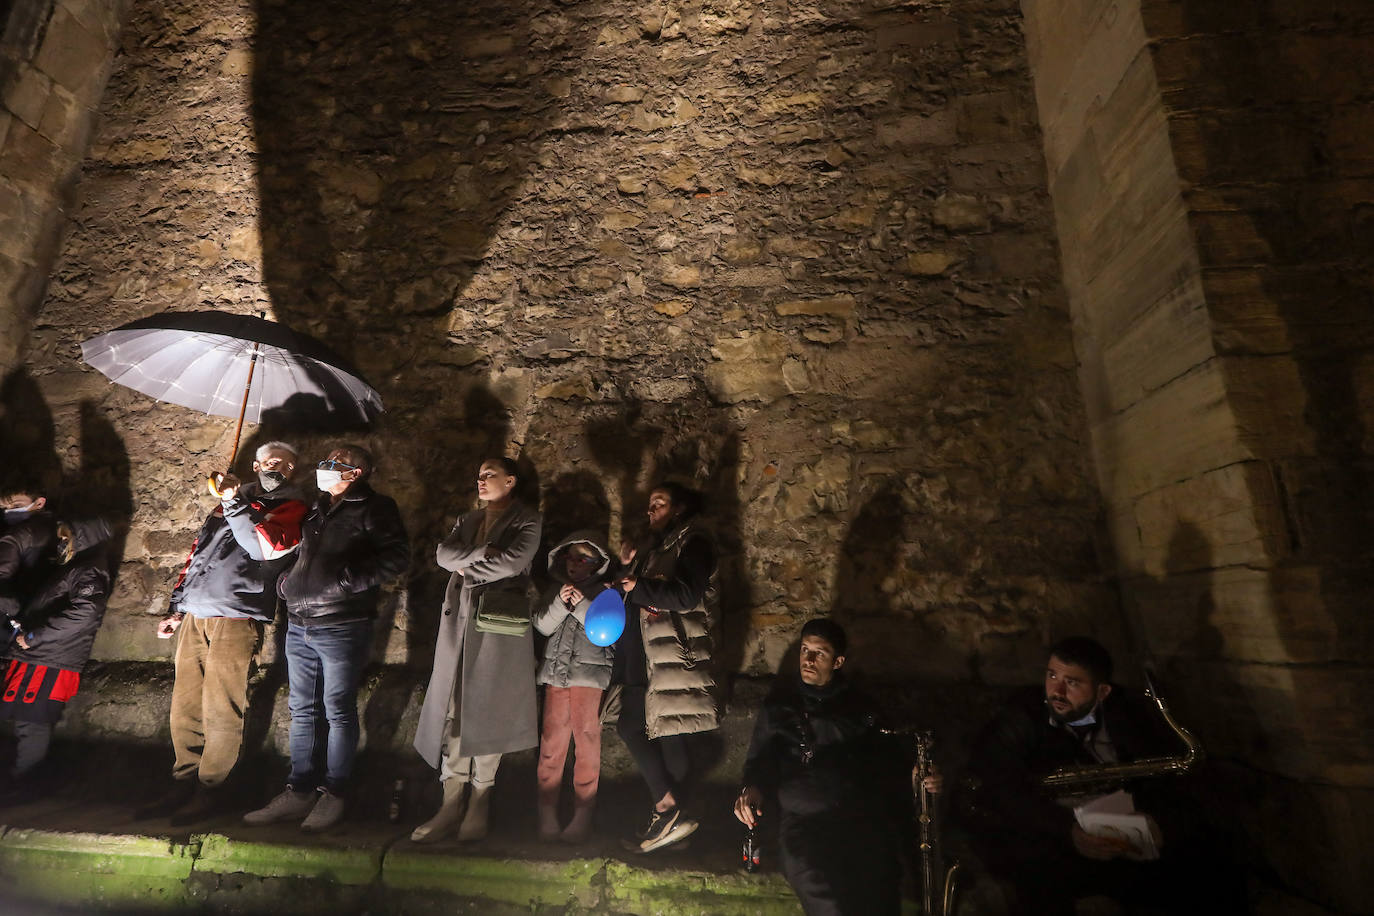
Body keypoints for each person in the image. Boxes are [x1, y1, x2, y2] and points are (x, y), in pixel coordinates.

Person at [959, 636, 1243, 915]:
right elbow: (998, 788)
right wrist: (1068, 831)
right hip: (1052, 834)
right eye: (1052, 675)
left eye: (1072, 682)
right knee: (1038, 874)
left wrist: (1161, 825)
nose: (1056, 690)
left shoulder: (1127, 714)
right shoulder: (1022, 715)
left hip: (1121, 837)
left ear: (1103, 692)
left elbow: (1168, 784)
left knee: (1210, 863)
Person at [138, 442, 308, 824]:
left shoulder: (293, 507)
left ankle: (212, 787)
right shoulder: (231, 500)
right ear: (254, 465)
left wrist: (234, 504)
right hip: (197, 612)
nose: (270, 466)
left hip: (237, 613)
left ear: (293, 468)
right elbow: (199, 554)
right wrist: (176, 607)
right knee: (185, 704)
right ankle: (183, 781)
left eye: (279, 462)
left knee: (222, 705)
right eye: (264, 462)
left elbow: (264, 548)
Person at [243, 444, 408, 832]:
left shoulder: (375, 507)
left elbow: (397, 556)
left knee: (337, 708)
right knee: (302, 708)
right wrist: (286, 583)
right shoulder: (317, 507)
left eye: (335, 463)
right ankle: (298, 790)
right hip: (299, 624)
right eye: (326, 461)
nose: (325, 467)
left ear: (356, 473)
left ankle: (334, 793)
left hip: (343, 624)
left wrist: (347, 581)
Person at [734, 618, 931, 915]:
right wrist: (751, 789)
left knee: (878, 886)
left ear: (838, 661)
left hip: (858, 822)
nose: (809, 660)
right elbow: (759, 761)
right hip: (804, 822)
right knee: (822, 890)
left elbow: (892, 761)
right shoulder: (780, 706)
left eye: (820, 653)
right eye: (804, 650)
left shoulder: (859, 708)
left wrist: (918, 775)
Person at [410, 457, 541, 844]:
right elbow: (443, 556)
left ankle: (481, 799)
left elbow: (514, 562)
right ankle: (451, 802)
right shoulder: (467, 520)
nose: (480, 481)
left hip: (497, 624)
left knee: (489, 708)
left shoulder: (527, 519)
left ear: (510, 481)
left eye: (489, 475)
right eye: (478, 475)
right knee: (454, 709)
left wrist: (469, 564)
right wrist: (481, 556)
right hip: (459, 623)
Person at [613, 481, 719, 853]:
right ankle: (674, 823)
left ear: (679, 508)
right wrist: (627, 568)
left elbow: (686, 595)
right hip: (645, 657)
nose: (650, 510)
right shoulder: (657, 549)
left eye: (658, 503)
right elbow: (632, 590)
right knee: (652, 731)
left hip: (673, 656)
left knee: (653, 733)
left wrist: (636, 583)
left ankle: (668, 813)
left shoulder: (695, 543)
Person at [0, 479, 112, 793]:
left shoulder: (89, 570)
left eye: (67, 537)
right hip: (41, 655)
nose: (62, 543)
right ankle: (23, 778)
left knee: (32, 722)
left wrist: (36, 635)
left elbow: (84, 613)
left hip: (49, 657)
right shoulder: (77, 566)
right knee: (26, 719)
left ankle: (27, 783)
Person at [532, 530, 614, 842]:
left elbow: (607, 632)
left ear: (596, 564)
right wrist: (559, 602)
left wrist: (581, 606)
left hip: (589, 681)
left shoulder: (608, 593)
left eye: (583, 559)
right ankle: (547, 813)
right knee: (551, 745)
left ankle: (582, 815)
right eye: (570, 557)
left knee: (587, 745)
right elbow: (541, 625)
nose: (574, 564)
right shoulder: (556, 589)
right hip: (555, 677)